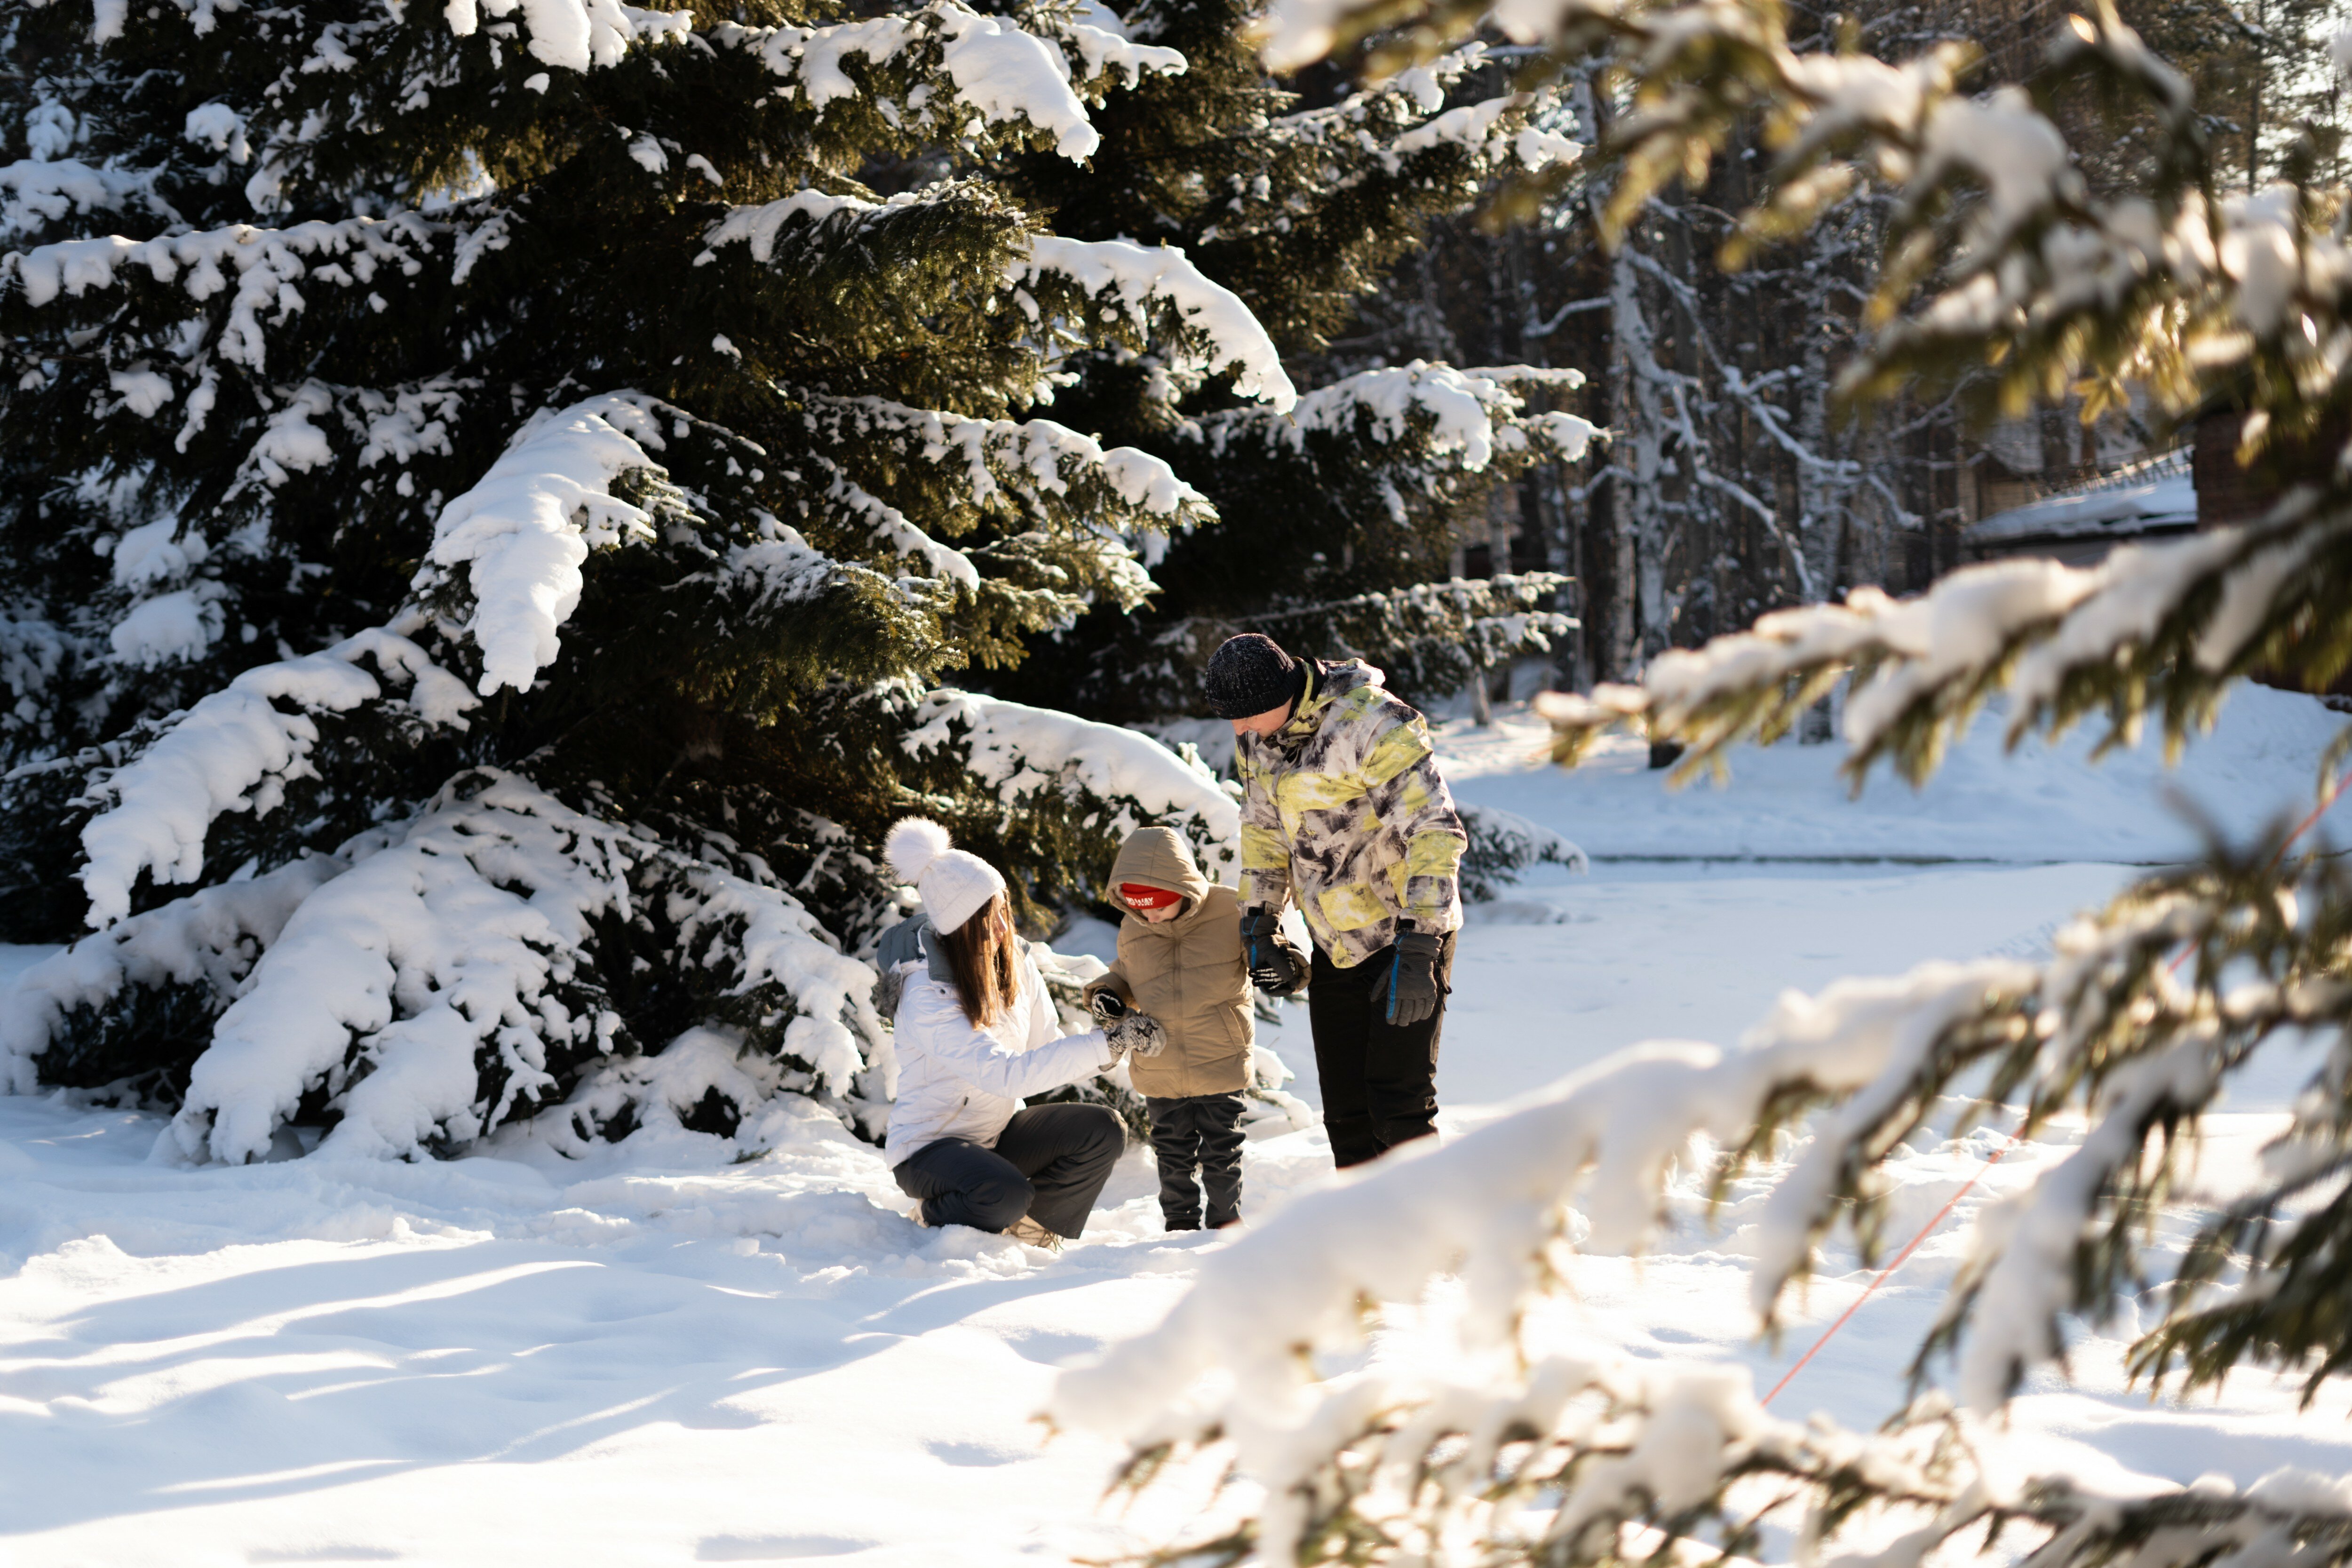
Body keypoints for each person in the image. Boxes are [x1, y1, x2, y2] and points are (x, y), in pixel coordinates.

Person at [1201, 632, 1467, 1169]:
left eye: (1248, 714)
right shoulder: (1258, 734)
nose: (1238, 728)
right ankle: (1359, 1237)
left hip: (1403, 933)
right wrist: (1259, 921)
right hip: (1335, 939)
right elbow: (1261, 829)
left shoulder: (1372, 723)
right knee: (1345, 1112)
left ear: (1286, 691)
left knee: (1398, 1107)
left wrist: (1420, 946)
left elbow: (1435, 831)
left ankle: (1421, 1240)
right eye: (1229, 717)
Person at [876, 817, 1148, 1251]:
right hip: (928, 1149)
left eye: (1004, 910)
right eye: (989, 919)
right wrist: (1105, 1044)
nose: (1004, 928)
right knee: (1004, 1193)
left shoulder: (1016, 965)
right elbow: (1005, 1075)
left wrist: (1112, 1040)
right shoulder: (925, 994)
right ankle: (933, 1212)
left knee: (1103, 1129)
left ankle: (1028, 1228)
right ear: (959, 928)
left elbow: (1045, 1051)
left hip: (996, 1133)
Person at [1083, 826, 1253, 1232]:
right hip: (1159, 1063)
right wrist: (1107, 995)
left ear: (1183, 889)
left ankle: (1226, 1224)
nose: (1150, 916)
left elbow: (1266, 949)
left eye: (1158, 906)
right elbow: (1125, 973)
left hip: (1219, 1057)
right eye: (1140, 908)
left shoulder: (1230, 910)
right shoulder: (1135, 927)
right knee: (1172, 1153)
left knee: (1222, 1150)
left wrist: (1282, 962)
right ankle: (1179, 1226)